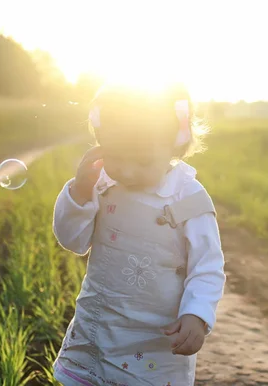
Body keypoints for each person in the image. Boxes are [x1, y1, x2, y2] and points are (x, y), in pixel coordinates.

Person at [52, 83, 226, 385]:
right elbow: (73, 240)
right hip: (98, 325)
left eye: (143, 161)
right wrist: (79, 193)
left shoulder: (188, 198)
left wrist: (197, 314)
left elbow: (207, 267)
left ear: (176, 144)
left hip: (155, 341)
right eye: (117, 157)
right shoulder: (102, 184)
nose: (129, 171)